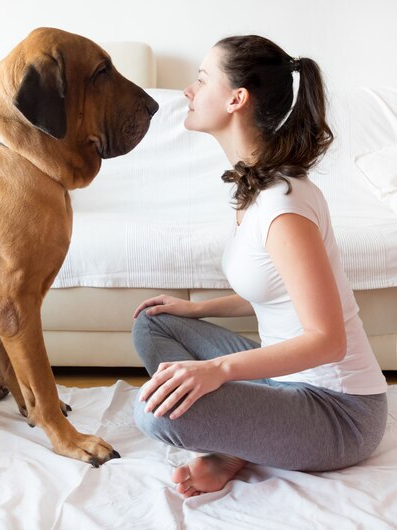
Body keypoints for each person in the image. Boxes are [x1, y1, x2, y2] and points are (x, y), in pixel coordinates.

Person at [131, 35, 388, 498]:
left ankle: (235, 440)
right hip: (286, 382)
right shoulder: (258, 189)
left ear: (237, 99)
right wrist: (194, 310)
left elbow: (328, 341)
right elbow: (276, 290)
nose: (188, 91)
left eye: (201, 78)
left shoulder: (283, 207)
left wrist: (220, 371)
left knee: (153, 412)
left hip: (340, 412)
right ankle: (239, 438)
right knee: (154, 325)